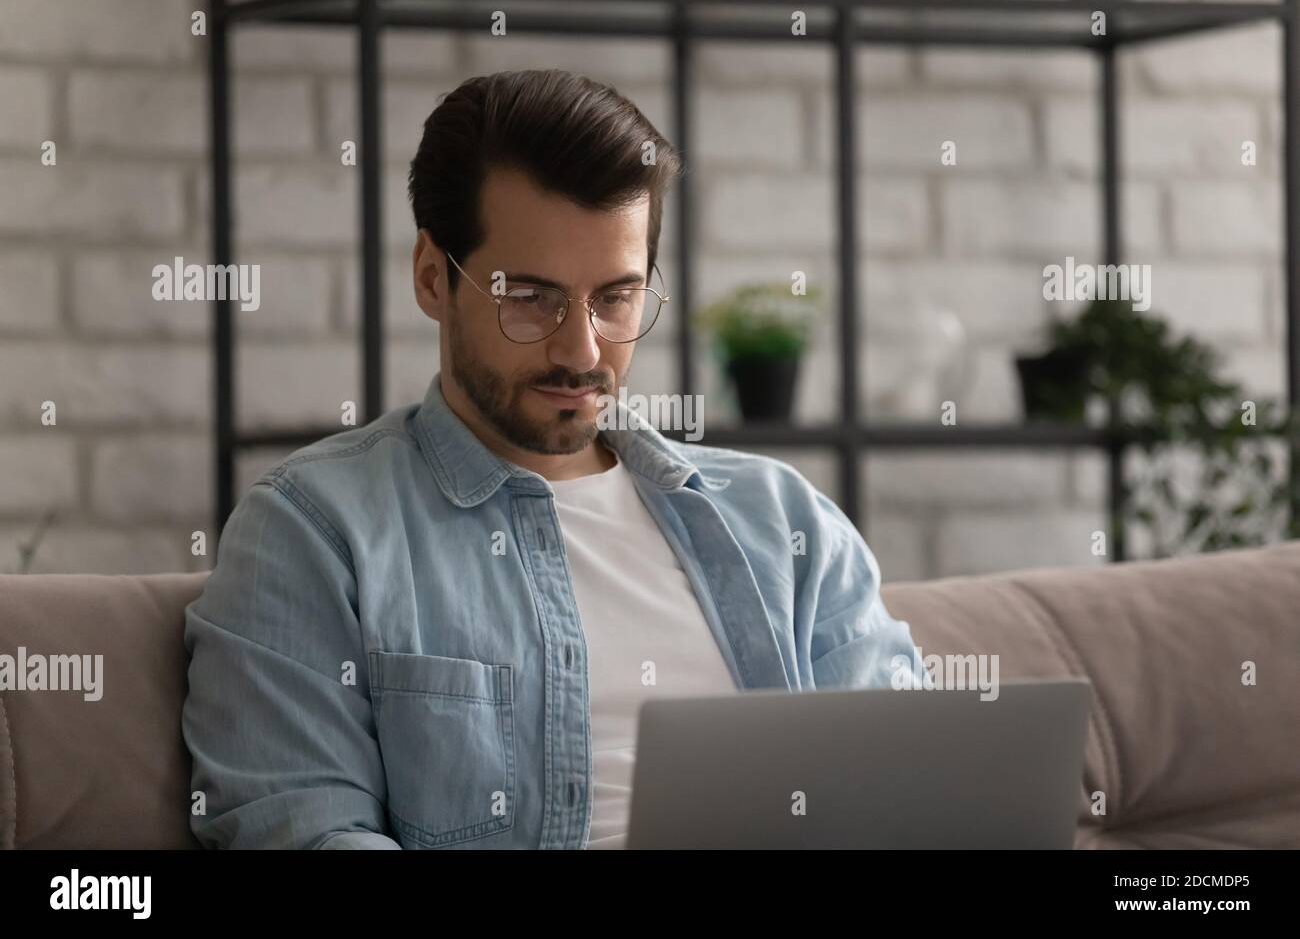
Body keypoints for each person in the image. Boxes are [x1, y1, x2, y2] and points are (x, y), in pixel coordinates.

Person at [182, 69, 924, 850]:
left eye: (616, 297)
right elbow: (302, 832)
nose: (581, 350)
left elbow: (913, 793)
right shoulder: (314, 532)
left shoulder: (785, 522)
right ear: (433, 277)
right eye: (530, 297)